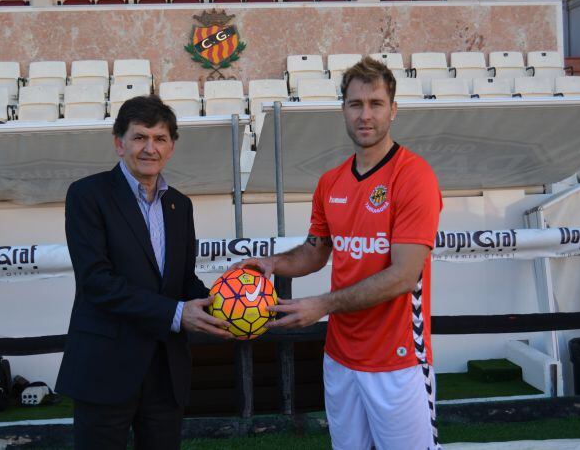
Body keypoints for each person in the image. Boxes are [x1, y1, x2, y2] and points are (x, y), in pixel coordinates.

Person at [233, 57, 443, 450]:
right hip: (340, 357)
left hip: (397, 361)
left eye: (376, 104)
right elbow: (315, 253)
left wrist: (322, 305)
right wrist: (272, 264)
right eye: (355, 104)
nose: (365, 115)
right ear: (343, 110)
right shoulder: (331, 182)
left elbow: (403, 275)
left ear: (393, 110)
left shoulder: (414, 177)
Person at [56, 95, 232, 450]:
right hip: (106, 367)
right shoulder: (87, 195)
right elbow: (97, 283)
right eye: (139, 137)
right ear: (119, 144)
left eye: (160, 138)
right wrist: (178, 313)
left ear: (172, 147)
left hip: (166, 369)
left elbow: (182, 280)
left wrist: (226, 304)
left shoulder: (179, 205)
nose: (150, 148)